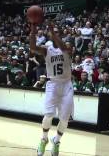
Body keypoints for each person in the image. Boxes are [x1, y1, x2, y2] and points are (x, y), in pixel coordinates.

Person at [30, 23, 73, 156]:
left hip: (66, 85)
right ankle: (44, 139)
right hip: (52, 84)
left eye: (56, 32)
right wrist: (32, 31)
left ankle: (57, 141)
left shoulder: (67, 47)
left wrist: (53, 34)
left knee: (65, 119)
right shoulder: (47, 49)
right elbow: (32, 48)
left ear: (59, 34)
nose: (54, 33)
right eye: (52, 32)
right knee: (49, 115)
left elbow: (64, 47)